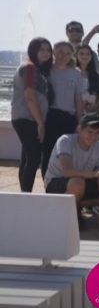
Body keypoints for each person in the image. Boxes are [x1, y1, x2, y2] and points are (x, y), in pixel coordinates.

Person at [44, 113, 99, 229]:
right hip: (58, 182)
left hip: (84, 181)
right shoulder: (65, 141)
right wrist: (94, 174)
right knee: (77, 182)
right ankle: (69, 214)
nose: (93, 137)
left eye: (97, 133)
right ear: (79, 129)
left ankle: (78, 206)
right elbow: (67, 172)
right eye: (90, 132)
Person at [12, 37, 54, 192]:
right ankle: (27, 195)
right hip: (27, 118)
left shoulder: (38, 69)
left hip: (29, 118)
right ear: (33, 50)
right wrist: (40, 123)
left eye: (48, 50)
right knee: (34, 157)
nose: (45, 53)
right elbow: (29, 96)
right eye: (41, 49)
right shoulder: (29, 68)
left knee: (27, 157)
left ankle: (24, 194)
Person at [41, 41, 84, 178]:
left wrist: (80, 122)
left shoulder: (76, 73)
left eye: (67, 53)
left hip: (68, 118)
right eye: (60, 52)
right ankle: (47, 184)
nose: (63, 56)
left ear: (72, 55)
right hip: (50, 117)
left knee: (66, 152)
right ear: (53, 52)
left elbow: (78, 100)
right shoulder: (46, 71)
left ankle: (65, 184)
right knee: (48, 151)